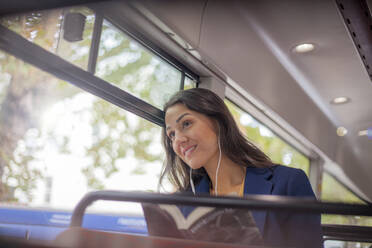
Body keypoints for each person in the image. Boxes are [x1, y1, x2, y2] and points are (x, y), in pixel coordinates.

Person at [159, 88, 323, 247]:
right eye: (171, 134)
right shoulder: (183, 201)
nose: (178, 139)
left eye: (186, 123)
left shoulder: (288, 183)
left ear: (217, 122)